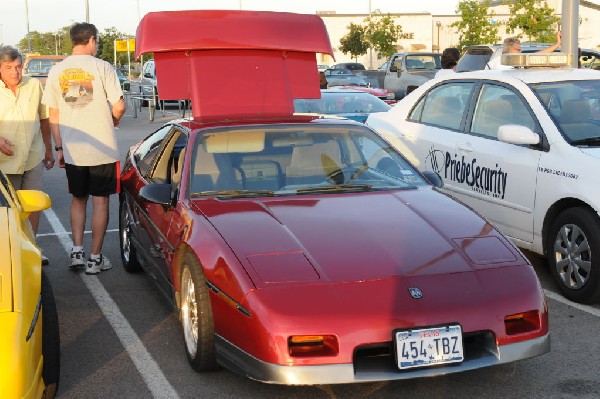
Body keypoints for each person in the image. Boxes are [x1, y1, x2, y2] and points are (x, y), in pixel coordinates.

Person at [42, 22, 126, 275]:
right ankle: (95, 258)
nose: (97, 45)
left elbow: (53, 114)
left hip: (73, 149)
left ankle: (76, 252)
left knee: (78, 200)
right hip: (102, 148)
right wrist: (113, 118)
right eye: (97, 41)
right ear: (91, 40)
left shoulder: (57, 71)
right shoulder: (102, 67)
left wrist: (59, 147)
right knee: (101, 203)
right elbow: (119, 106)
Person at [0, 45, 54, 265]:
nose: (15, 72)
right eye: (9, 67)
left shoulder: (33, 85)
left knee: (33, 205)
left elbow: (44, 118)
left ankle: (32, 249)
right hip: (5, 163)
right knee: (7, 212)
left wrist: (49, 148)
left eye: (18, 66)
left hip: (32, 156)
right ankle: (9, 255)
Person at [488, 31, 562, 69]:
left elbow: (537, 55)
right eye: (518, 50)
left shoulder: (516, 62)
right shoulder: (498, 63)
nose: (520, 52)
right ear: (509, 49)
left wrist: (557, 44)